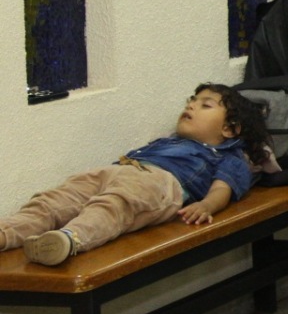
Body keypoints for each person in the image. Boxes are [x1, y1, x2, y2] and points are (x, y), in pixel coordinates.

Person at [2, 85, 269, 265]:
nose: (191, 106)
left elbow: (222, 188)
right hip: (120, 169)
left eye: (205, 105)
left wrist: (206, 205)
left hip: (161, 183)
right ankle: (7, 232)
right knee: (55, 200)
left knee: (115, 205)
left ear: (229, 129)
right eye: (192, 100)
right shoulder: (171, 140)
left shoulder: (229, 156)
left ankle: (69, 239)